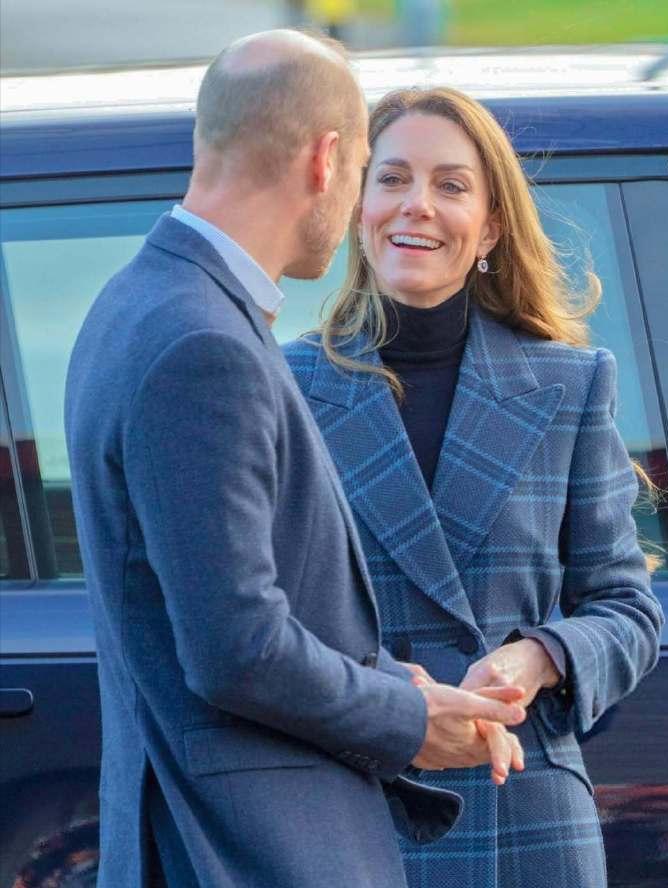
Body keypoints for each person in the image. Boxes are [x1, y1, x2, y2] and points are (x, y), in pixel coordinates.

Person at [64, 38, 529, 888]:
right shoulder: (204, 343)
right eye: (367, 170)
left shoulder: (139, 302)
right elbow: (237, 646)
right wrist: (404, 715)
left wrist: (386, 675)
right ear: (326, 160)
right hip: (243, 850)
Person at [284, 86, 664, 888]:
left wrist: (542, 654)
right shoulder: (283, 384)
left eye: (450, 185)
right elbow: (261, 619)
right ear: (356, 203)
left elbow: (628, 611)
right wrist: (392, 700)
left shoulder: (569, 384)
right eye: (392, 179)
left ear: (489, 227)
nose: (416, 205)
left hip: (524, 815)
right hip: (353, 810)